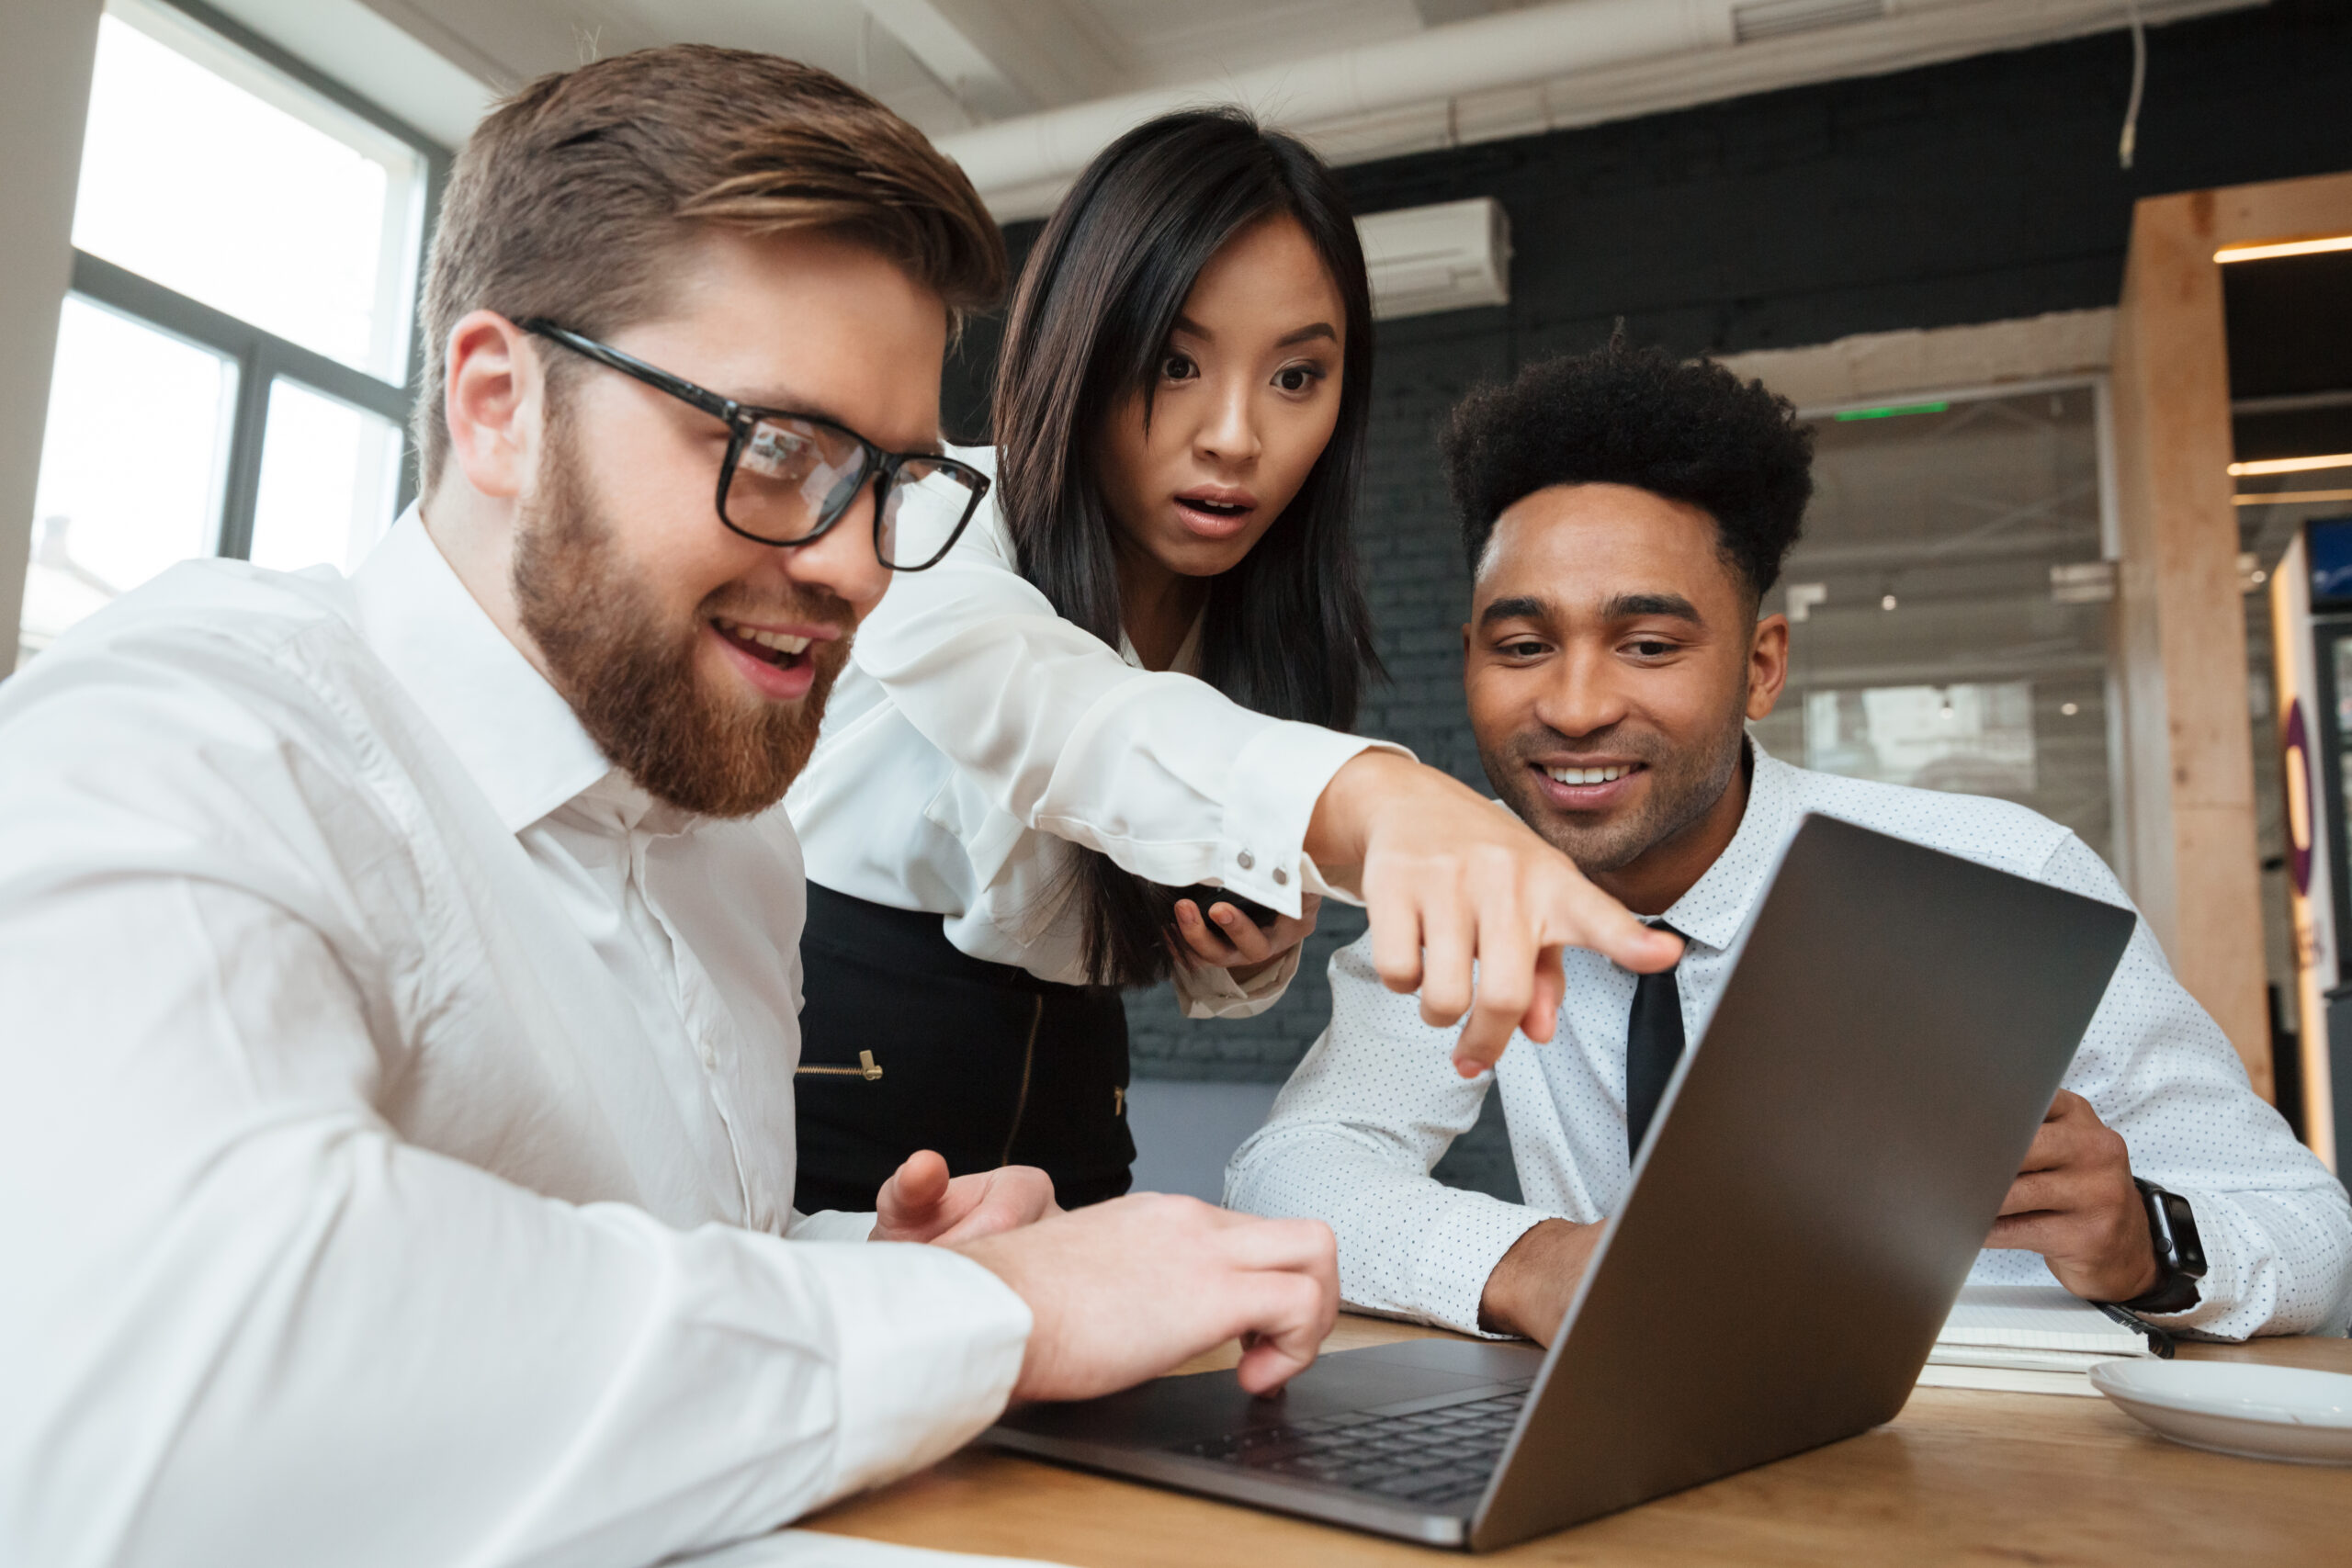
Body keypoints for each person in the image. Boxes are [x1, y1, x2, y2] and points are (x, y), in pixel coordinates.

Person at [0, 49, 1343, 1568]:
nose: (856, 568)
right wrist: (984, 1314)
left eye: (892, 477)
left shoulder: (735, 846)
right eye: (776, 450)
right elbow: (182, 1377)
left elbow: (668, 1256)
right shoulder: (190, 734)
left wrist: (867, 1261)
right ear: (499, 404)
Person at [1227, 340, 2352, 1345]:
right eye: (1523, 646)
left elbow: (2314, 1239)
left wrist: (2144, 1242)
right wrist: (1526, 1263)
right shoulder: (1471, 897)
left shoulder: (2001, 877)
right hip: (1647, 1454)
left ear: (1761, 664)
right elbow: (1290, 1170)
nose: (1571, 706)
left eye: (1648, 644)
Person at [786, 110, 1676, 1213]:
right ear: (1081, 342)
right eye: (1176, 362)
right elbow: (1067, 726)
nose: (1235, 436)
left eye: (1295, 378)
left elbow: (1129, 910)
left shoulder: (1254, 628)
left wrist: (1246, 946)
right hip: (839, 1082)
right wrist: (1378, 799)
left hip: (1077, 1105)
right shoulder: (930, 523)